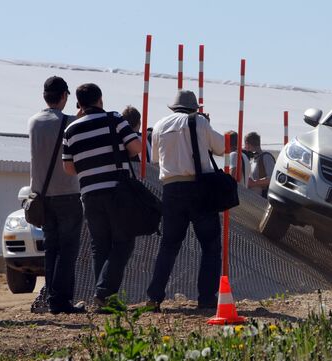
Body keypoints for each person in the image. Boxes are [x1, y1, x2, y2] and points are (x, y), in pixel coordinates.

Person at [62, 83, 142, 309]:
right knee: (124, 242)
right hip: (116, 190)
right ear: (100, 99)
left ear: (79, 104)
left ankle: (105, 302)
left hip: (88, 193)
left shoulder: (71, 130)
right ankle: (103, 292)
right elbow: (136, 147)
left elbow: (68, 168)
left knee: (101, 246)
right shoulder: (114, 119)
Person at [146, 90, 224, 311]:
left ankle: (154, 296)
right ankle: (206, 298)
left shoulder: (160, 125)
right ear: (195, 109)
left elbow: (154, 159)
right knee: (210, 246)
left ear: (173, 108)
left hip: (171, 189)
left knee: (168, 246)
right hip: (199, 188)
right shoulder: (199, 122)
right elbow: (221, 147)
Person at [28, 76, 84, 314]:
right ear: (64, 97)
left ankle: (52, 298)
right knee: (68, 250)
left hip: (41, 196)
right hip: (68, 194)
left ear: (44, 96)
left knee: (51, 249)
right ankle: (61, 301)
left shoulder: (33, 122)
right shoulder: (70, 123)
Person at [245, 132, 275, 198]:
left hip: (264, 198)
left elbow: (271, 179)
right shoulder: (252, 160)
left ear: (247, 144)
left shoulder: (266, 157)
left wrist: (253, 183)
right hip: (254, 197)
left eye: (245, 145)